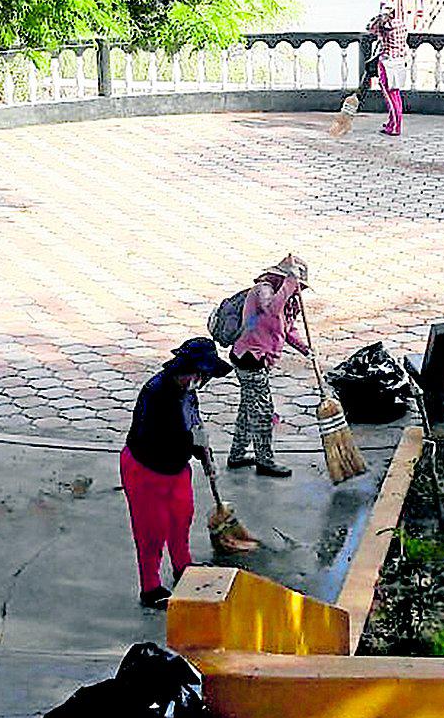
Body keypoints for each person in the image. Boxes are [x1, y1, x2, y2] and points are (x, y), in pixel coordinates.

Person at [121, 337, 232, 610]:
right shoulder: (156, 393)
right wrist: (192, 444)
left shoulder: (188, 392)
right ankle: (150, 587)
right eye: (203, 375)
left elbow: (195, 425)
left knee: (181, 517)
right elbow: (159, 439)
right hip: (146, 469)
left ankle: (183, 566)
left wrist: (206, 455)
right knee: (152, 530)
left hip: (176, 468)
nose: (204, 381)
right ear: (191, 371)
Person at [228, 255, 311, 477]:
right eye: (296, 284)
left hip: (261, 360)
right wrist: (290, 284)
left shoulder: (287, 300)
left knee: (248, 408)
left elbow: (286, 329)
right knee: (263, 412)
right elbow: (270, 311)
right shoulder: (263, 291)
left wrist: (304, 348)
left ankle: (236, 455)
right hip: (249, 358)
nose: (297, 289)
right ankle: (264, 461)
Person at [366, 1, 411, 137]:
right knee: (395, 93)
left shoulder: (385, 26)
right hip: (400, 61)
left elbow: (369, 28)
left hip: (387, 63)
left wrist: (379, 17)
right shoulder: (401, 24)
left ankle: (395, 126)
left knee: (390, 96)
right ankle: (392, 122)